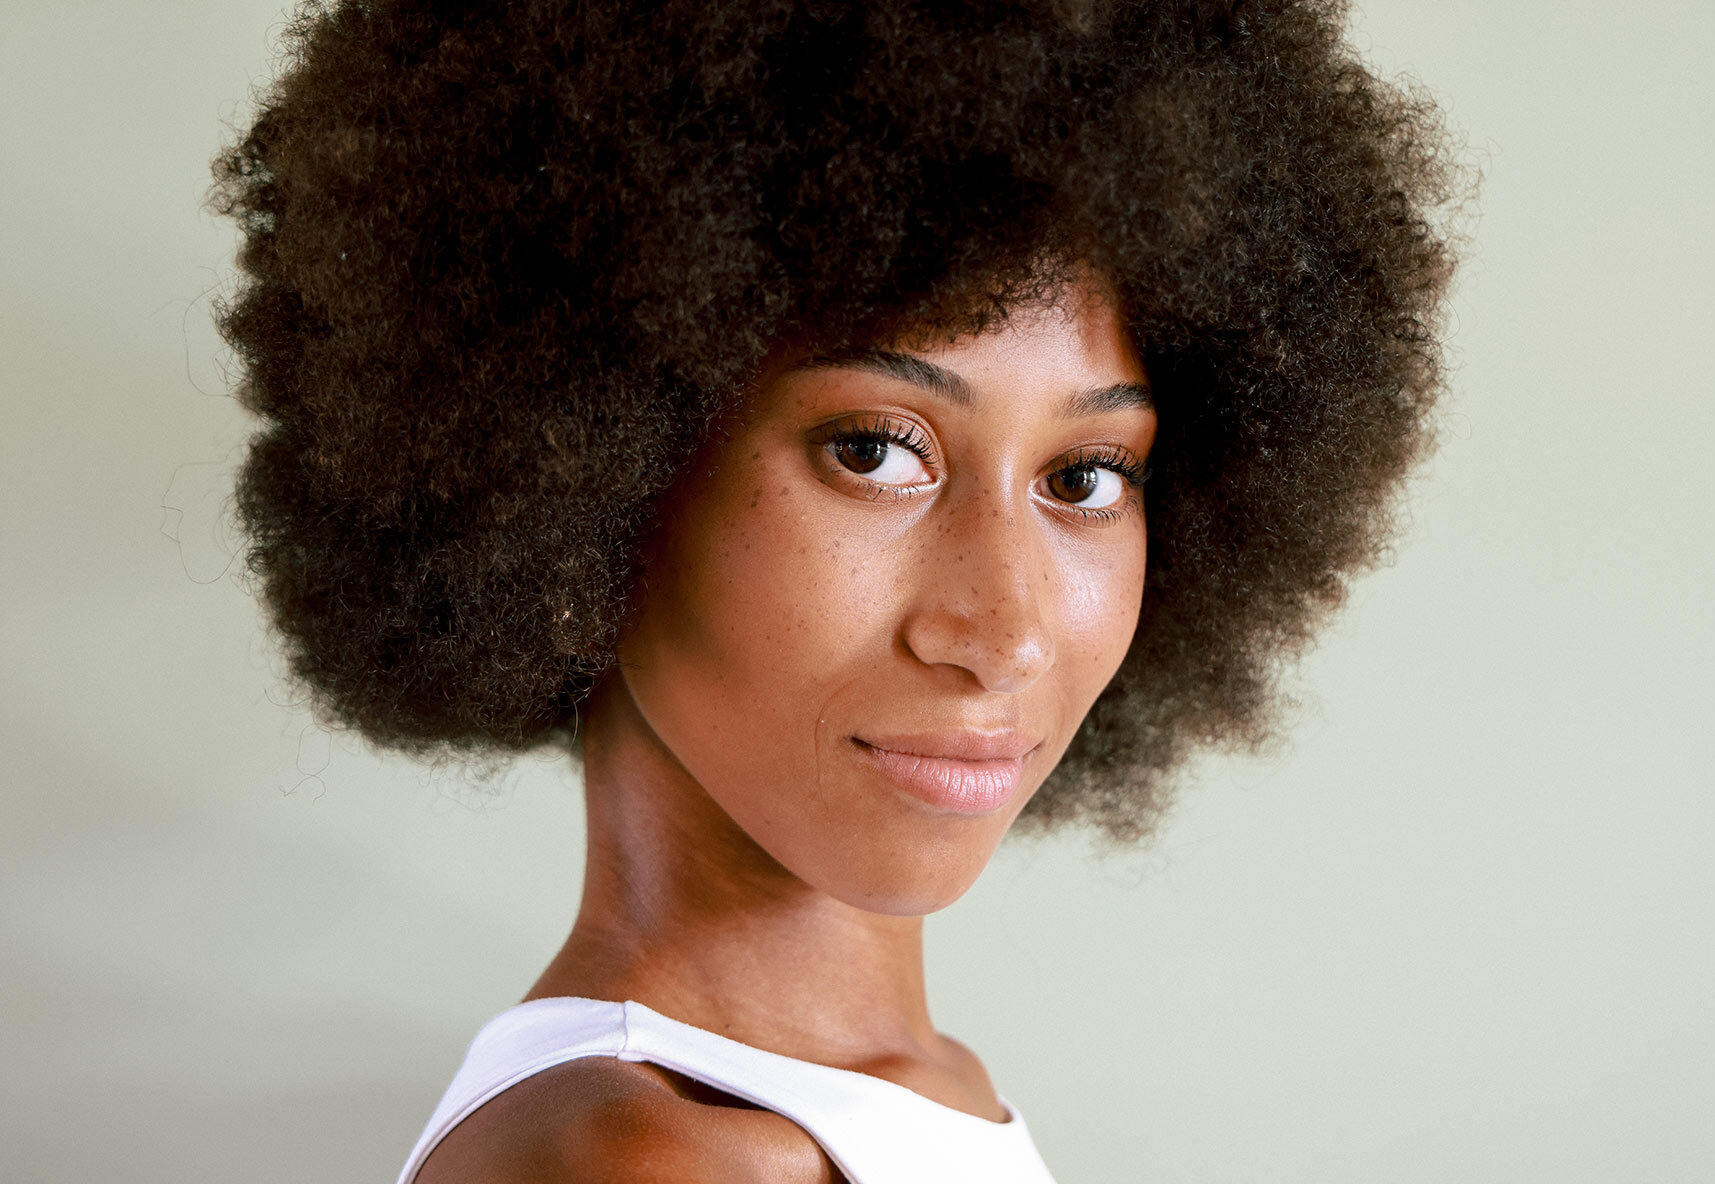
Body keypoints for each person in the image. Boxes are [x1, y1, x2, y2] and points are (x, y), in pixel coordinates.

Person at [211, 1, 1457, 1179]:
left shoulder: (917, 1093)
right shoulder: (653, 1159)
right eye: (873, 450)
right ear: (581, 468)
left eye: (1084, 476)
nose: (1006, 631)